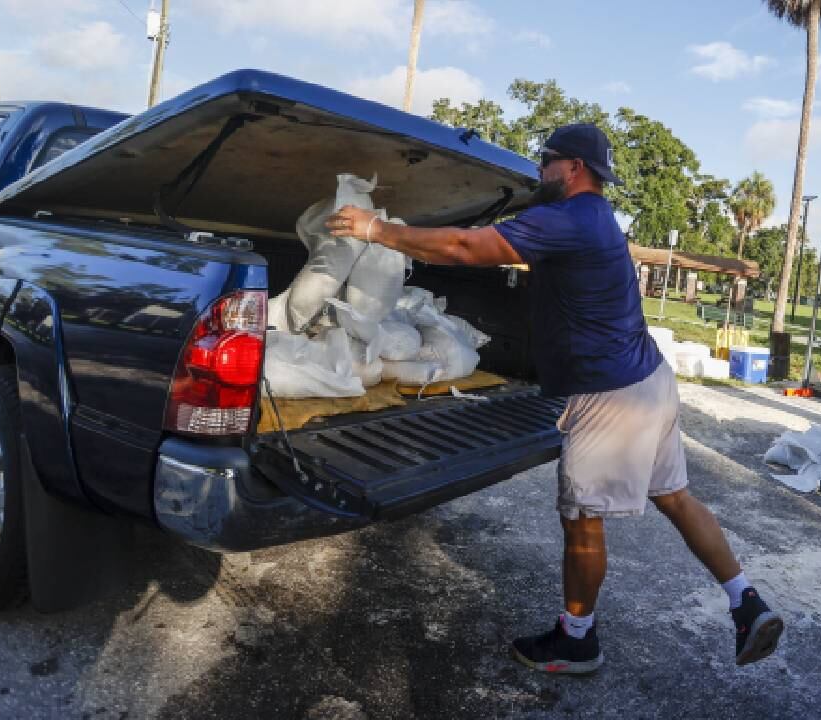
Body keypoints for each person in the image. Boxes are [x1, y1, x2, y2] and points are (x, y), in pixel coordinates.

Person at [324, 124, 783, 674]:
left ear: (573, 168)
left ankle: (578, 640)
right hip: (649, 381)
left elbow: (467, 246)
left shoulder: (569, 217)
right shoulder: (597, 219)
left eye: (547, 162)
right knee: (676, 498)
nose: (540, 172)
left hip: (611, 395)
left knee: (582, 518)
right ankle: (745, 600)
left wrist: (377, 228)